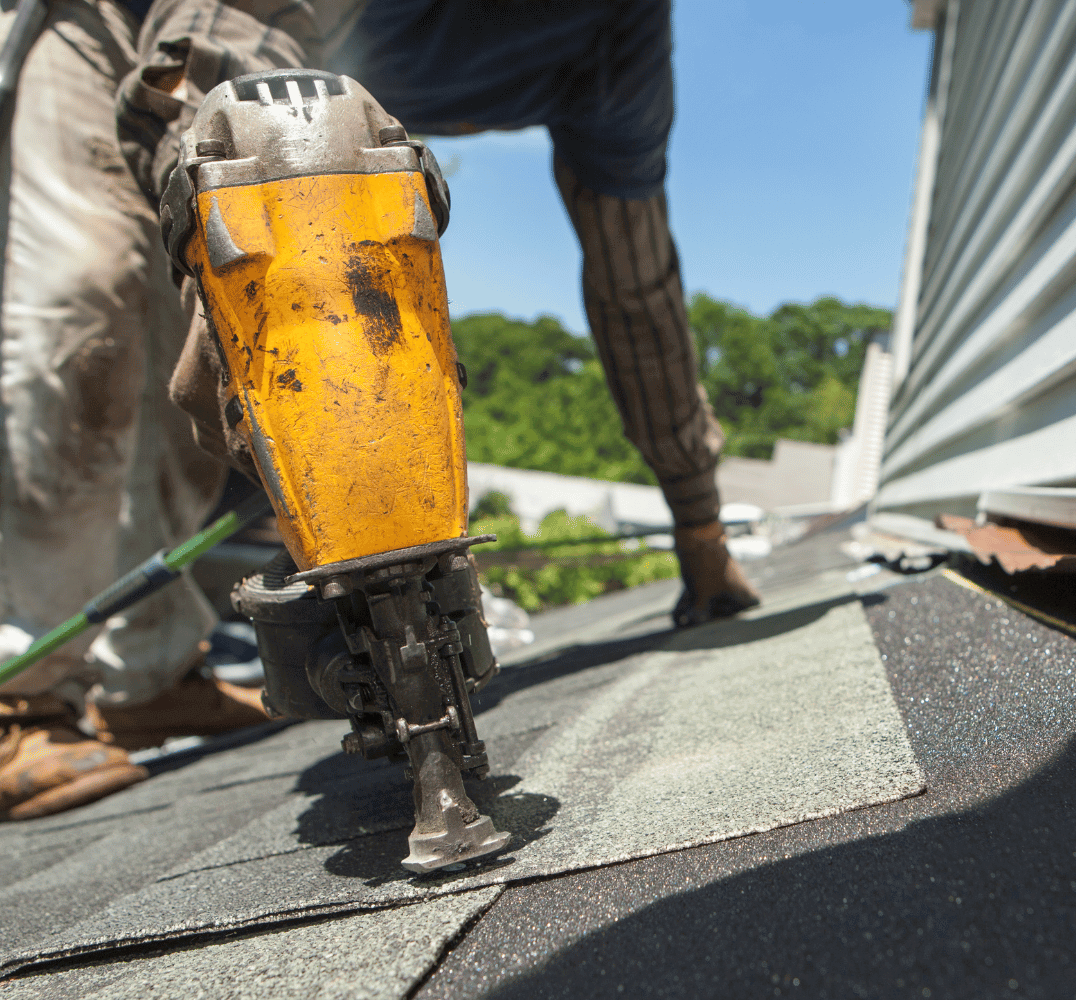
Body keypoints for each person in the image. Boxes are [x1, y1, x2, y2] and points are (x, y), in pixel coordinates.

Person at [120, 0, 762, 628]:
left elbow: (635, 282)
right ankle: (65, 698)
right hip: (134, 34)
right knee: (106, 296)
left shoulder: (616, 32)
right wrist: (217, 263)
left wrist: (699, 523)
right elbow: (213, 71)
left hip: (399, 55)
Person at [0, 0, 270, 822]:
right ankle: (23, 698)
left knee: (191, 330)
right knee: (84, 303)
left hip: (222, 14)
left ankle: (150, 671)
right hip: (69, 16)